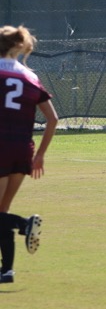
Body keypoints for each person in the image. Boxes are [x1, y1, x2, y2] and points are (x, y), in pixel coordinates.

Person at [0, 25, 58, 284]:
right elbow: (52, 119)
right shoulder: (30, 76)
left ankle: (24, 224)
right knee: (1, 211)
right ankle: (7, 271)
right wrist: (40, 156)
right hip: (22, 150)